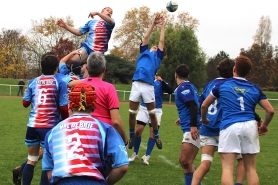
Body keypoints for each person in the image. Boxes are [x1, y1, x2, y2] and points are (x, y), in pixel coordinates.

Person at [200, 56, 274, 185]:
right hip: (250, 126)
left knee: (227, 169)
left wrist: (204, 118)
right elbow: (270, 111)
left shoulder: (222, 85)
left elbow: (204, 105)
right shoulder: (255, 88)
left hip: (230, 126)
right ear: (249, 72)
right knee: (251, 169)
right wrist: (264, 125)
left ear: (234, 69)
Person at [42, 83, 129, 185]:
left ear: (70, 104)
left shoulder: (53, 132)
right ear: (94, 104)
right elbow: (122, 166)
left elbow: (49, 171)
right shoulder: (104, 129)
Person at [21, 54, 69, 185]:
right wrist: (66, 122)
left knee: (31, 160)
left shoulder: (33, 82)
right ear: (56, 68)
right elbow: (64, 108)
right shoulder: (60, 83)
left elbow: (25, 104)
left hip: (32, 125)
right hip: (49, 127)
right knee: (48, 163)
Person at [128, 14, 165, 150]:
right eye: (153, 46)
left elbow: (161, 42)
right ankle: (132, 134)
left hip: (148, 85)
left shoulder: (158, 57)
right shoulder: (144, 51)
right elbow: (145, 37)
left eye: (157, 47)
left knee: (152, 113)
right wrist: (153, 24)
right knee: (132, 112)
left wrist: (162, 26)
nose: (155, 47)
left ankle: (156, 134)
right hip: (137, 83)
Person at [81, 52, 128, 146]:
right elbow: (116, 121)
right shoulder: (109, 88)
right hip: (104, 138)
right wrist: (125, 141)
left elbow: (70, 115)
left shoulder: (77, 87)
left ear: (87, 68)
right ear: (104, 69)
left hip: (82, 136)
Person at [129, 75, 173, 165]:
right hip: (144, 108)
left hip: (156, 110)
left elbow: (170, 91)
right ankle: (135, 153)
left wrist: (163, 80)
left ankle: (147, 156)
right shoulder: (145, 80)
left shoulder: (160, 81)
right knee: (138, 131)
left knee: (153, 133)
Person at [174, 64, 202, 185]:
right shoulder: (191, 87)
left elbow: (193, 105)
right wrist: (182, 117)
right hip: (193, 125)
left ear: (175, 75)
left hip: (194, 128)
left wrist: (193, 125)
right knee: (185, 162)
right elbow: (197, 104)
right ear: (188, 75)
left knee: (186, 161)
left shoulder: (182, 88)